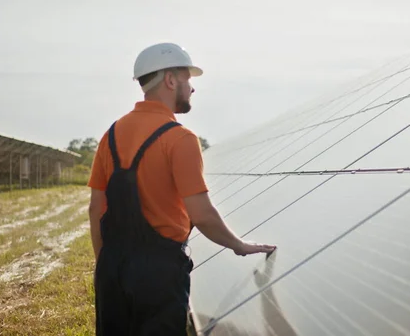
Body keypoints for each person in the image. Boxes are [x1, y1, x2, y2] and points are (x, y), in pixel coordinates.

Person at [87, 42, 276, 336]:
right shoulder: (180, 139)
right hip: (158, 273)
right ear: (170, 80)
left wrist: (105, 265)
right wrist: (239, 245)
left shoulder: (111, 134)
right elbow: (201, 214)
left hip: (113, 266)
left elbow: (96, 208)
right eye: (188, 79)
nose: (192, 88)